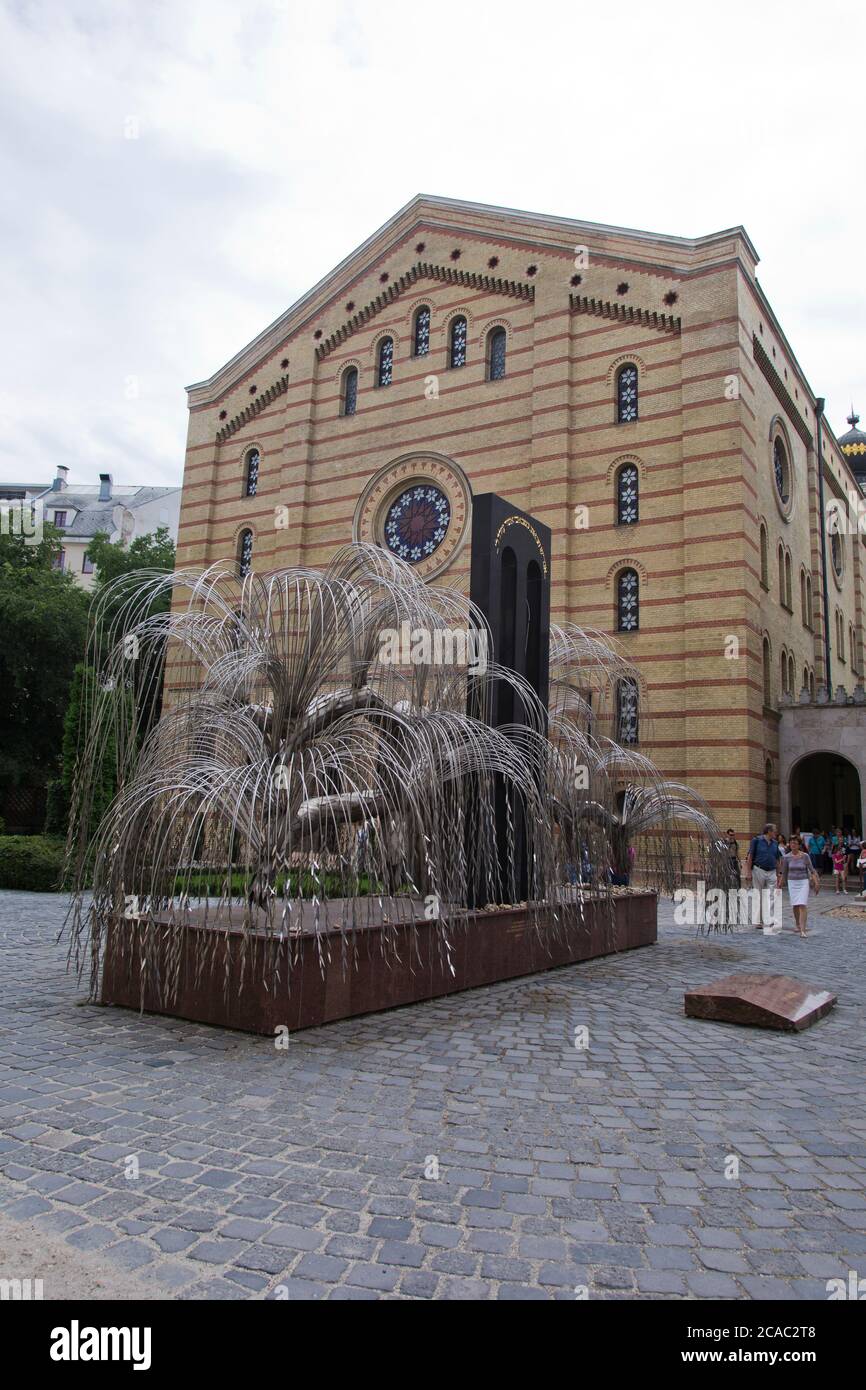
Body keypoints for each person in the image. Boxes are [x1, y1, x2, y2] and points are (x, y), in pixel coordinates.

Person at [780, 834, 820, 938]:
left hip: (803, 882)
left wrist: (816, 883)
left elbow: (812, 870)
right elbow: (784, 872)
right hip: (792, 882)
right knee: (795, 905)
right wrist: (780, 883)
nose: (793, 845)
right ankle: (797, 923)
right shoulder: (786, 857)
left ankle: (803, 929)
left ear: (799, 845)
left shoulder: (805, 856)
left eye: (795, 843)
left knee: (802, 904)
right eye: (792, 843)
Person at [745, 823, 782, 929]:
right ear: (769, 831)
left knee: (772, 895)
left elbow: (778, 859)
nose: (776, 833)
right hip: (758, 869)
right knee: (758, 895)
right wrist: (748, 872)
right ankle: (758, 921)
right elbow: (750, 856)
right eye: (774, 831)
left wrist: (779, 874)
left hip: (772, 871)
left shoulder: (775, 843)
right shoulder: (756, 841)